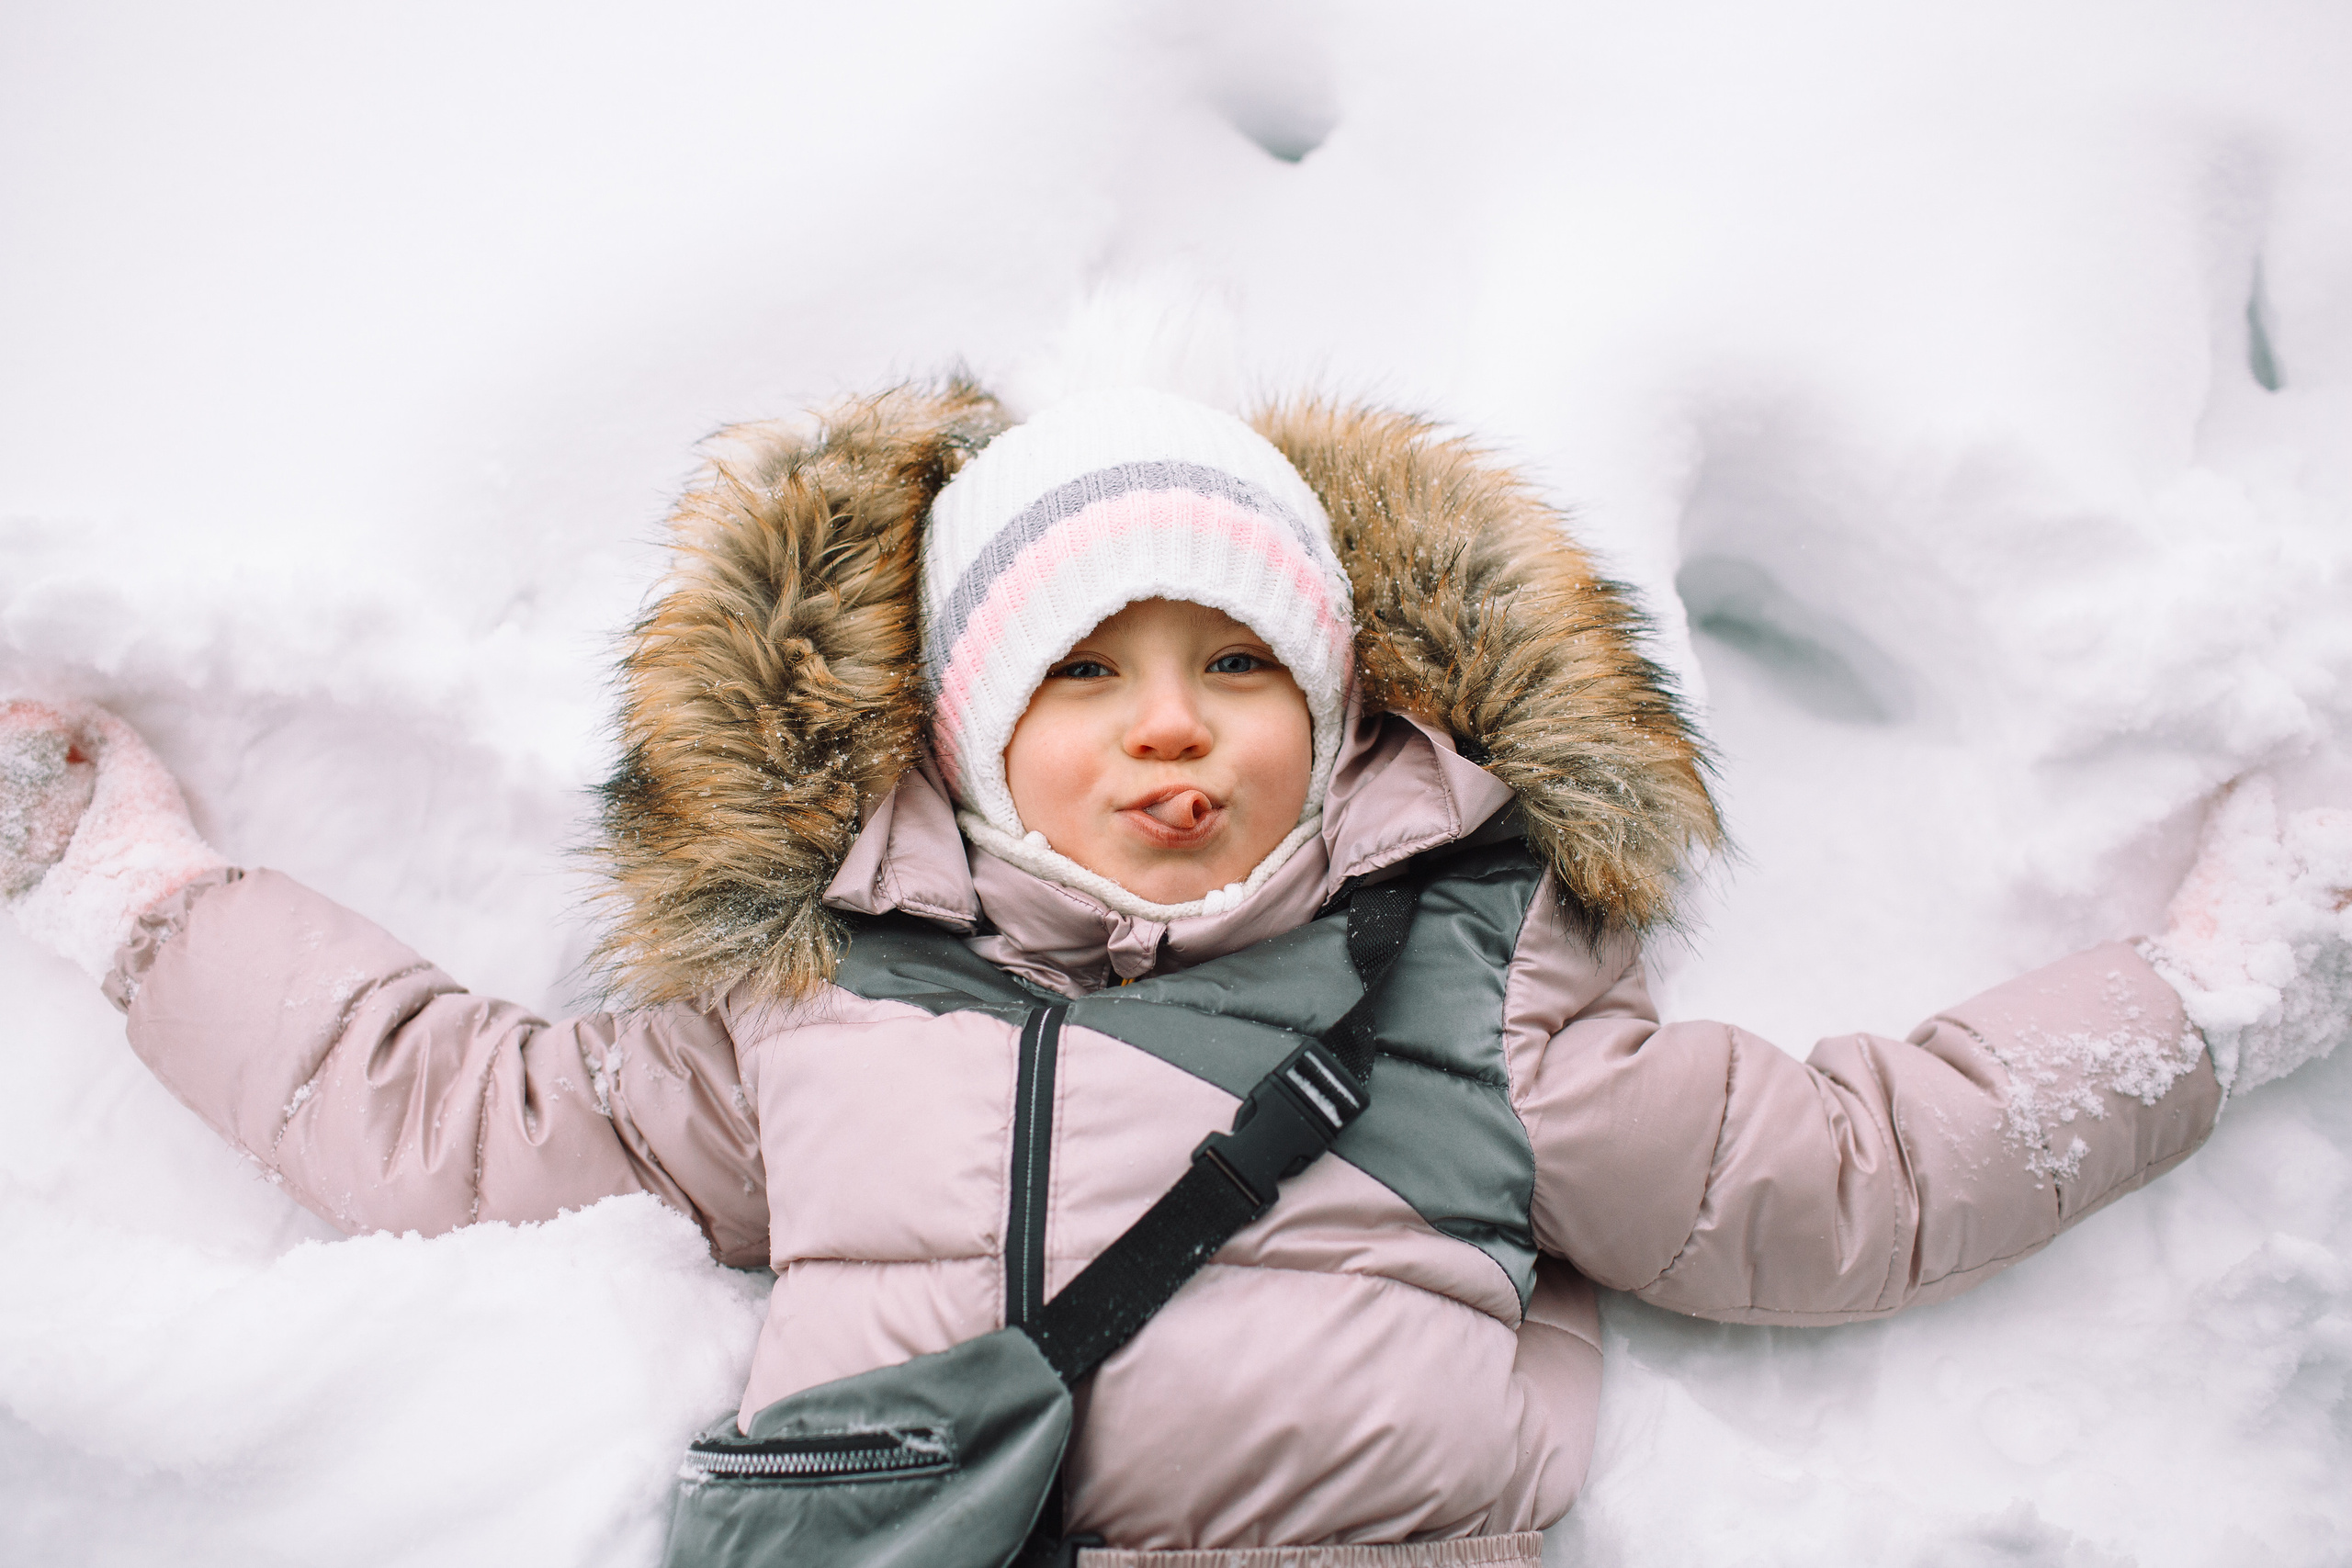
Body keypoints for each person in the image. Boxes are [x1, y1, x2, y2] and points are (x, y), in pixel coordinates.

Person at [3, 385, 2346, 1567]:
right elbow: (454, 1114)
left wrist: (2216, 988)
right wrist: (134, 892)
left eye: (1237, 662)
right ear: (955, 732)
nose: (1168, 726)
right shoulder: (821, 1007)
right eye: (1082, 668)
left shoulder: (1464, 990)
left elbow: (1839, 1172)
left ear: (1333, 713)